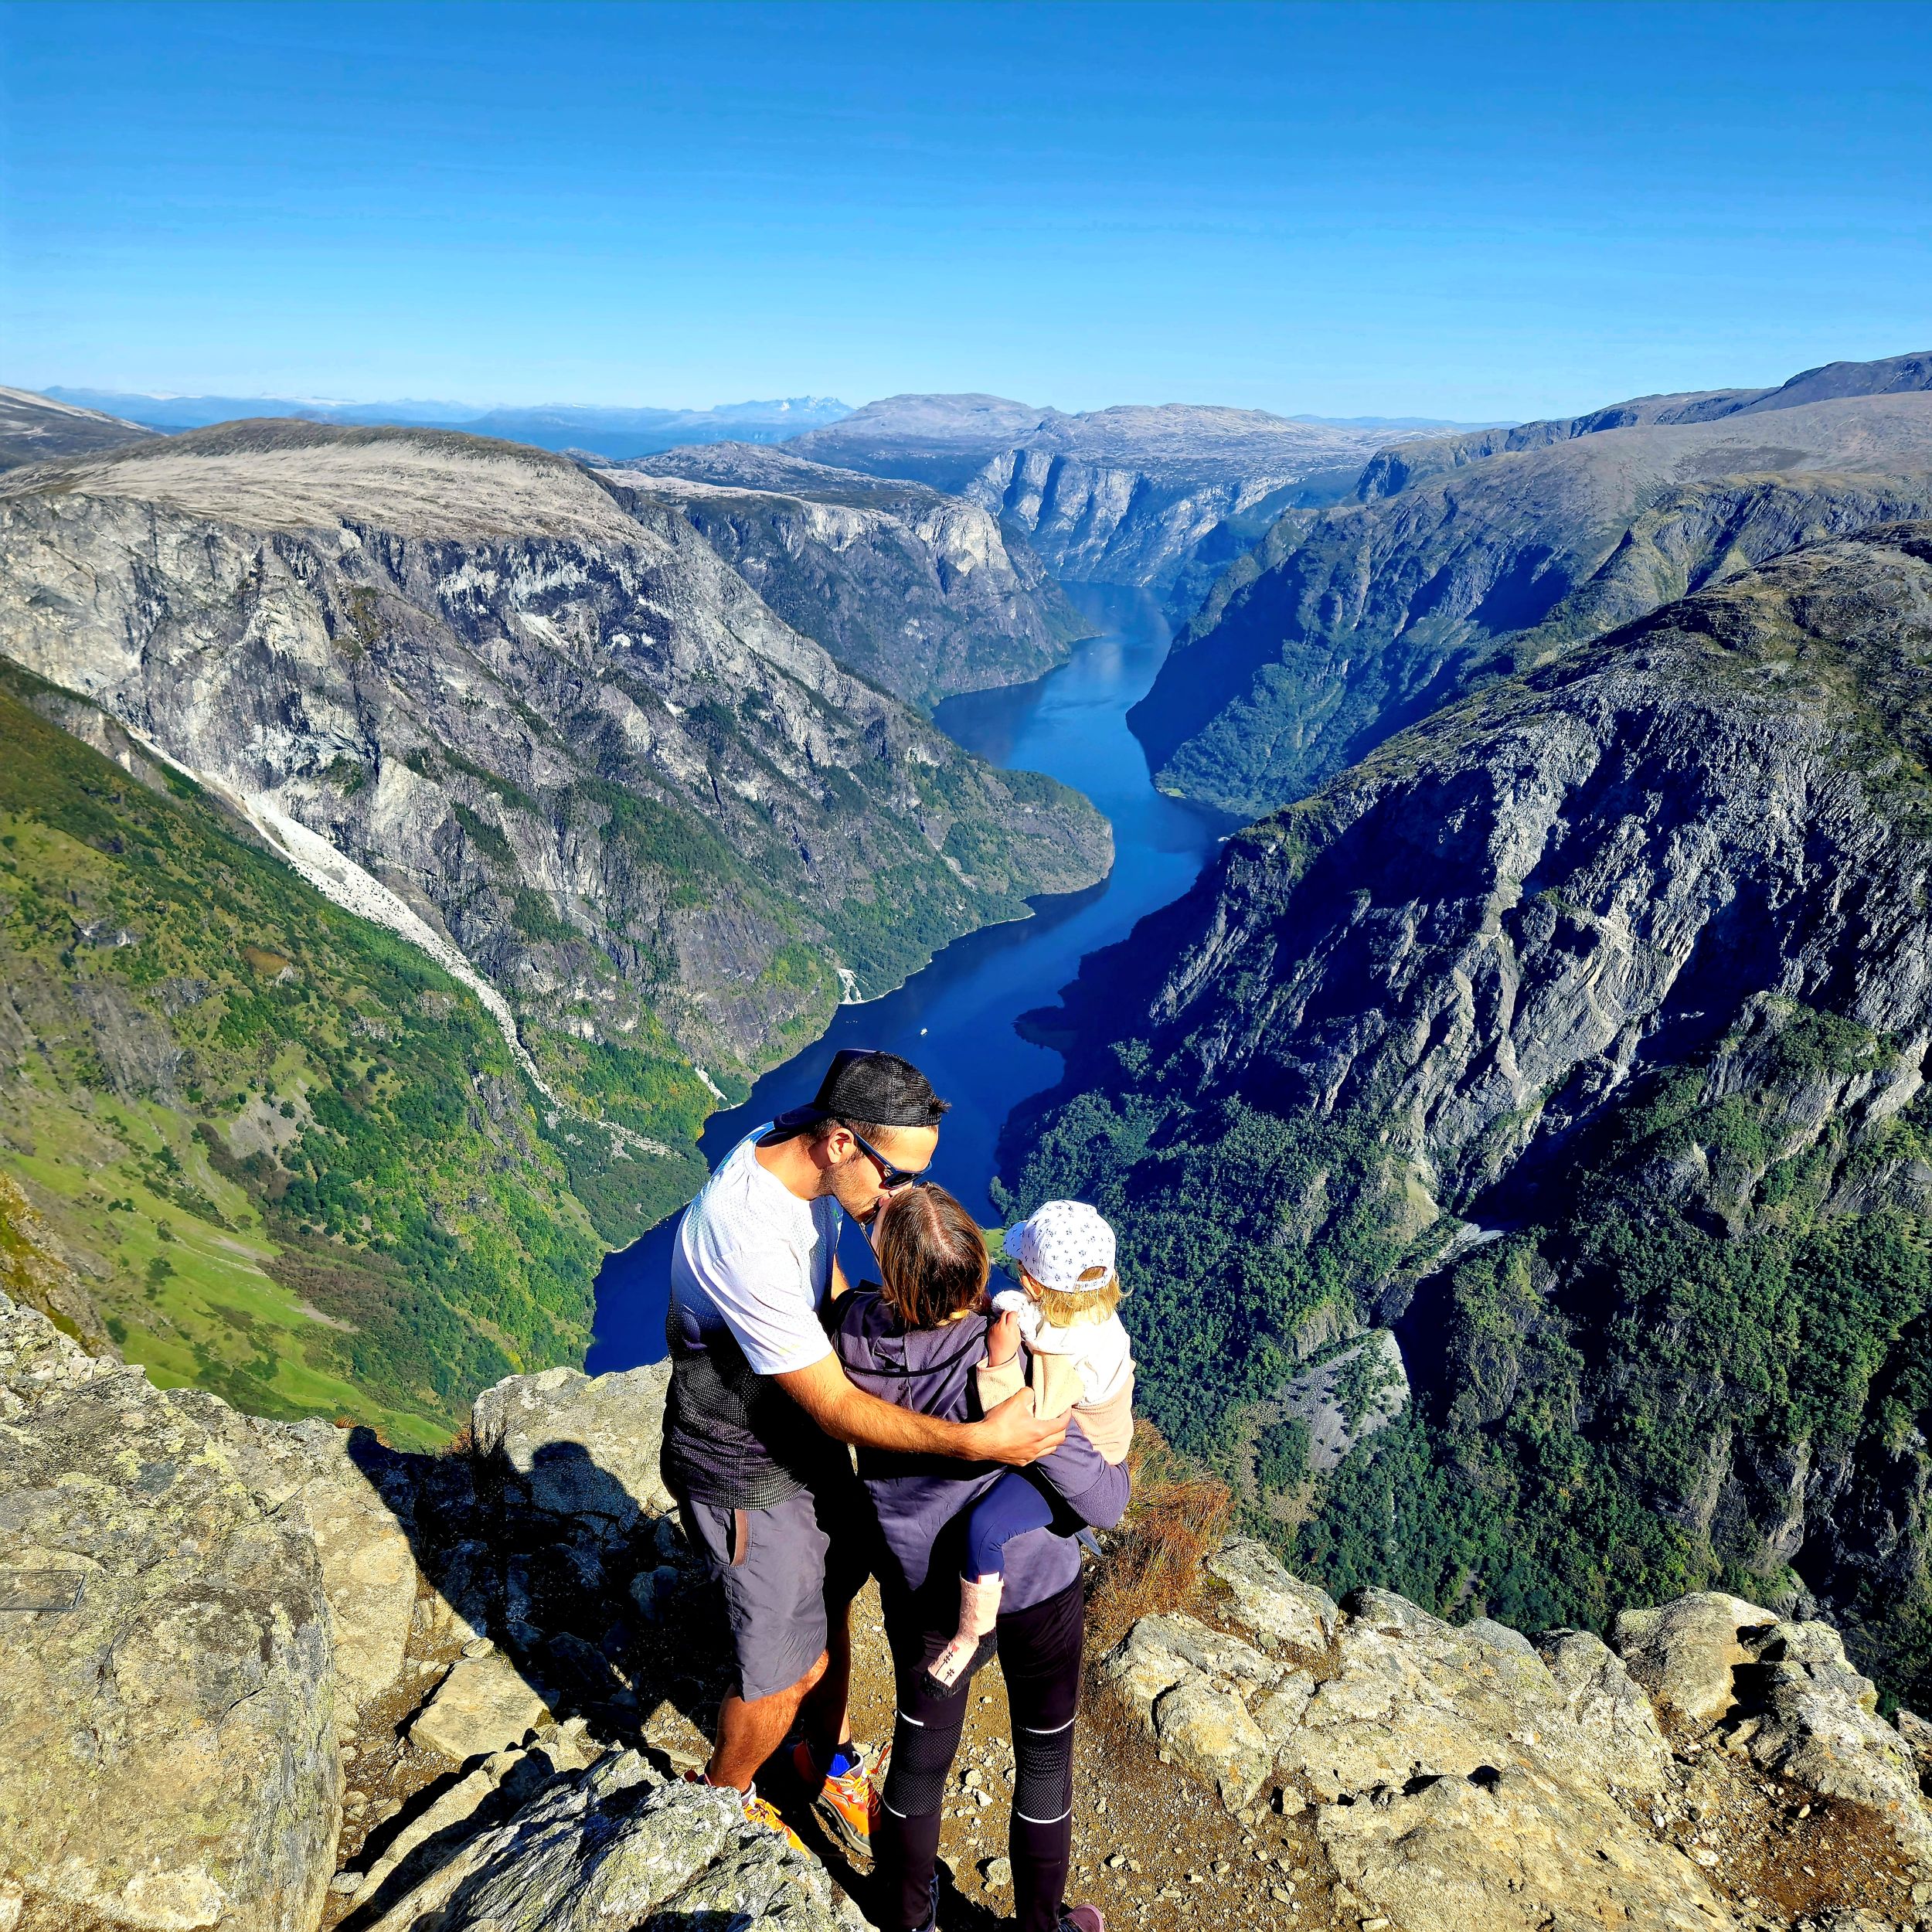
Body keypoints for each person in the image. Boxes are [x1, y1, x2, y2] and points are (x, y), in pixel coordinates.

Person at [658, 1048, 1067, 1856]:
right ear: (841, 1143)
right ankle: (718, 1803)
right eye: (895, 1178)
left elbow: (827, 1288)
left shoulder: (793, 1155)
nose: (900, 1200)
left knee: (834, 1591)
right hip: (746, 1468)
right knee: (785, 1668)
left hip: (792, 1441)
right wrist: (975, 1439)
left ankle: (825, 1757)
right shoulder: (742, 1236)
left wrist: (942, 1300)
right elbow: (840, 1408)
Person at [835, 1183, 1122, 1932]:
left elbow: (850, 1310)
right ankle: (1039, 1928)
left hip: (924, 1590)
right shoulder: (1012, 1356)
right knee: (1043, 1759)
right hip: (1036, 1581)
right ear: (973, 1270)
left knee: (922, 1760)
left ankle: (905, 1919)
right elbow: (1094, 1487)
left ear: (894, 1279)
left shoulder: (849, 1340)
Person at [926, 1199, 1134, 1693]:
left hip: (1085, 1468)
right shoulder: (1088, 1319)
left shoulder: (1074, 1356)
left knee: (982, 1529)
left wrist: (999, 1359)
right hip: (1083, 1445)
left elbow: (1021, 1423)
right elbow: (1042, 1322)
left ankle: (975, 1635)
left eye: (1022, 1269)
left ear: (1035, 1282)